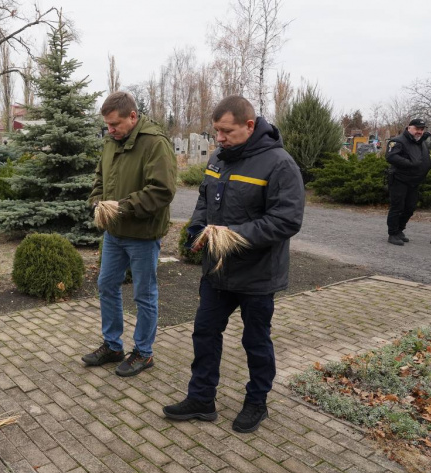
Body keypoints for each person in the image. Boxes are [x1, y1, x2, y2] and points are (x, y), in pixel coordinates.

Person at [162, 95, 305, 433]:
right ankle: (201, 399)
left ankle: (256, 403)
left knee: (256, 342)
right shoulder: (219, 159)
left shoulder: (279, 164)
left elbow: (287, 220)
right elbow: (204, 199)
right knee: (205, 333)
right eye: (216, 132)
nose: (220, 138)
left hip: (258, 274)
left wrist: (233, 235)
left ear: (250, 126)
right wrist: (197, 229)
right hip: (217, 271)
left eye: (226, 131)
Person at [82, 92, 177, 377]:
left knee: (143, 294)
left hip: (143, 234)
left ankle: (144, 353)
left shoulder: (155, 143)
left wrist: (120, 208)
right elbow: (101, 177)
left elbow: (162, 190)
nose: (110, 130)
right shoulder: (111, 141)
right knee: (106, 285)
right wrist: (97, 201)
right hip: (115, 233)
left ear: (133, 117)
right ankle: (113, 346)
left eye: (115, 124)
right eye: (107, 125)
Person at [385, 118, 431, 246]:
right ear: (409, 128)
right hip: (399, 179)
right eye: (417, 129)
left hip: (414, 181)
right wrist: (410, 164)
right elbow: (391, 156)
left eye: (422, 129)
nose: (419, 132)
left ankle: (400, 230)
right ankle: (393, 233)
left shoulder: (420, 142)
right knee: (397, 207)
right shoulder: (398, 141)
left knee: (410, 207)